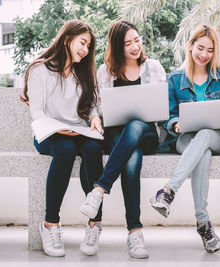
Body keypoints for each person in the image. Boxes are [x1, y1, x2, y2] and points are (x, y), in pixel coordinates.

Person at [79, 20, 166, 259]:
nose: (135, 46)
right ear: (117, 47)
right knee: (131, 159)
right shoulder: (106, 71)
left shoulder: (154, 67)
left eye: (136, 40)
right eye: (128, 43)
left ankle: (100, 188)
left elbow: (162, 104)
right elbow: (95, 105)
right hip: (117, 137)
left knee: (136, 125)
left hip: (147, 134)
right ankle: (134, 232)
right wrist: (95, 115)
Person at [149, 25, 220, 253]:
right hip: (185, 138)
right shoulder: (175, 78)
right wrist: (175, 123)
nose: (204, 54)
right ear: (190, 46)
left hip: (218, 136)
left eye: (210, 50)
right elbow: (168, 115)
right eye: (200, 48)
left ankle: (168, 191)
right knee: (202, 152)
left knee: (206, 135)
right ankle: (203, 222)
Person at [21, 20, 104, 257]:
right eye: (83, 43)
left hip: (79, 130)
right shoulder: (40, 69)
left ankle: (94, 225)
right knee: (66, 148)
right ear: (67, 38)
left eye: (89, 46)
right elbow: (37, 113)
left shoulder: (83, 72)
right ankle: (50, 224)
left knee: (93, 147)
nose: (86, 50)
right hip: (48, 133)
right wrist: (58, 129)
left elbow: (92, 106)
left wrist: (95, 117)